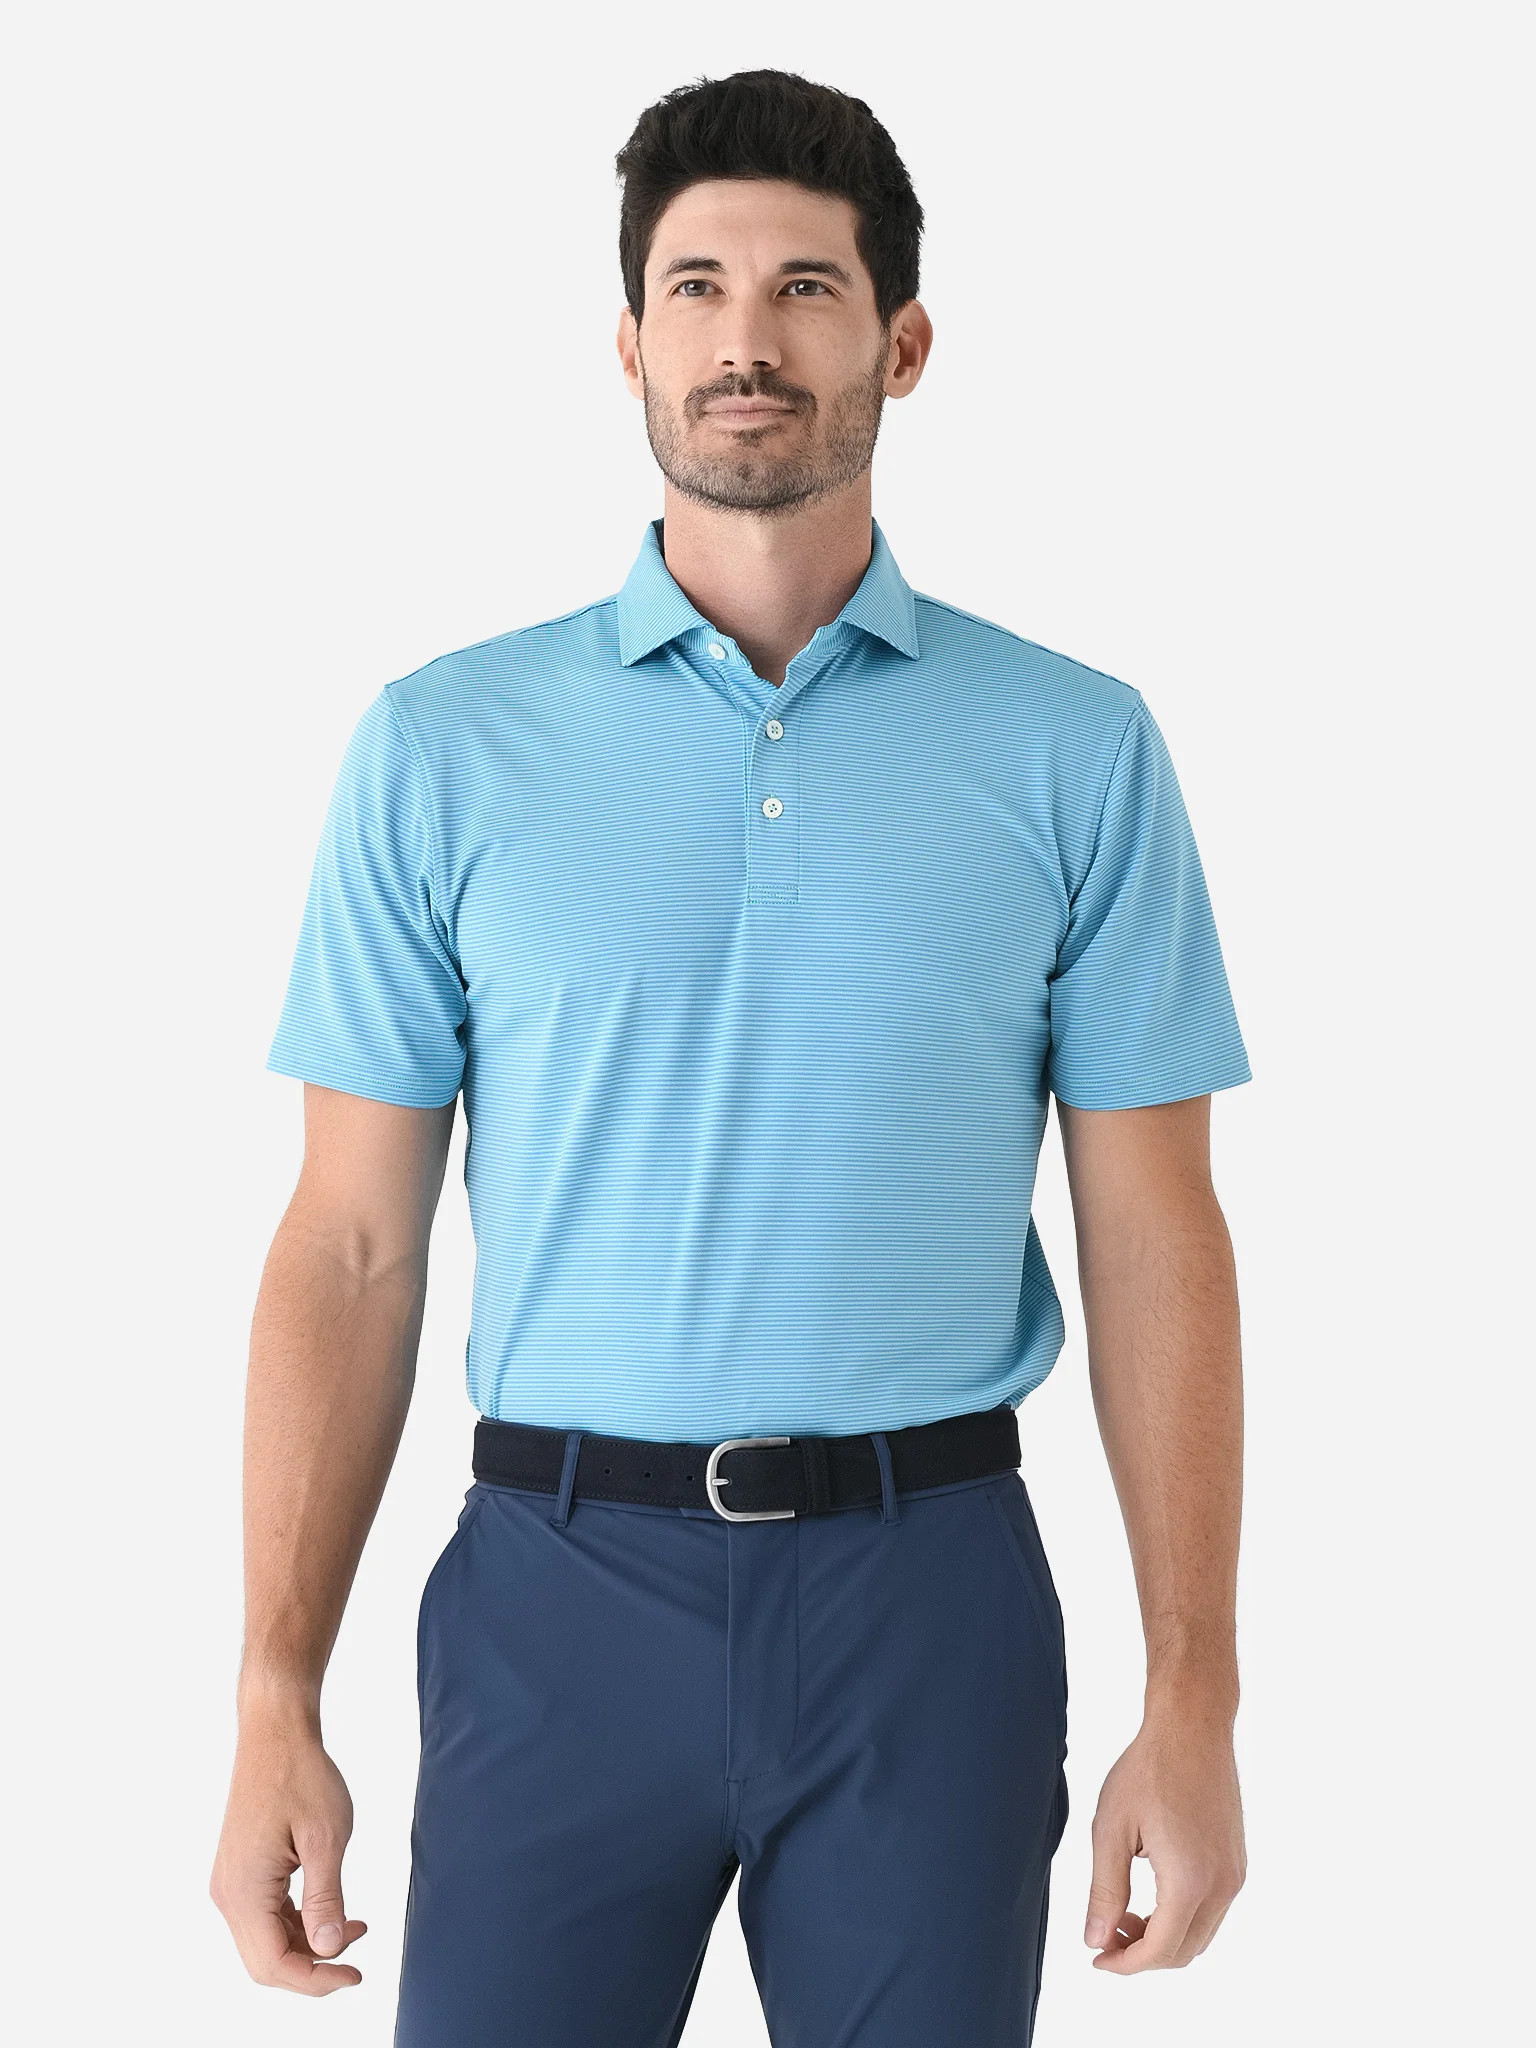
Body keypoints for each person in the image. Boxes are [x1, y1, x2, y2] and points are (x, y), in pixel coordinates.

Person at [210, 66, 1251, 2047]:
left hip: (929, 1602)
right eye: (694, 288)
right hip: (555, 1599)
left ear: (902, 344)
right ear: (629, 343)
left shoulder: (1076, 750)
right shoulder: (443, 747)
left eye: (804, 288)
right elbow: (348, 1243)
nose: (744, 339)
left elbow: (1155, 1237)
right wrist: (275, 1695)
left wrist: (1191, 1696)